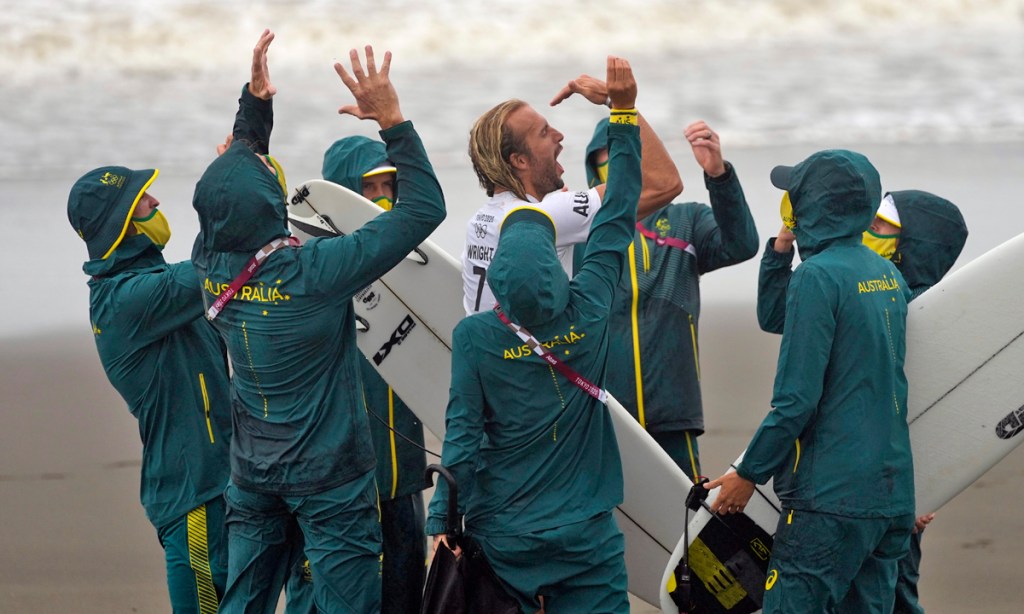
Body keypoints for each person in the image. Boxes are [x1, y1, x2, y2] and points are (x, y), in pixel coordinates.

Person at [191, 30, 446, 613]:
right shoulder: (317, 271)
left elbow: (237, 179)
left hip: (253, 478)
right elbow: (425, 207)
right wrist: (393, 121)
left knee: (243, 603)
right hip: (330, 481)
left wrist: (255, 106)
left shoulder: (209, 266)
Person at [426, 55, 642, 614]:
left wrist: (441, 520)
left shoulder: (473, 338)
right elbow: (618, 212)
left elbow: (463, 435)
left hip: (507, 535)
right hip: (588, 534)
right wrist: (623, 114)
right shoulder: (590, 307)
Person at [705, 150, 916, 613]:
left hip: (830, 499)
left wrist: (748, 473)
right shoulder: (886, 274)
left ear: (813, 205)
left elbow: (796, 400)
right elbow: (776, 317)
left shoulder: (818, 279)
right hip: (891, 495)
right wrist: (782, 251)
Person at [755, 188, 968, 614]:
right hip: (876, 491)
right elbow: (777, 317)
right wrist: (780, 250)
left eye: (883, 225)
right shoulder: (869, 285)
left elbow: (934, 407)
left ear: (914, 244)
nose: (870, 228)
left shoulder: (924, 311)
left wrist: (928, 490)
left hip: (881, 493)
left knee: (898, 597)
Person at [67, 167, 232, 612]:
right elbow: (218, 265)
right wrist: (236, 178)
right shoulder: (128, 298)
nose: (156, 203)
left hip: (221, 479)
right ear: (121, 222)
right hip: (193, 491)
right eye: (143, 199)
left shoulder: (148, 285)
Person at [581, 117, 759, 481]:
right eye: (603, 160)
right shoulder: (580, 230)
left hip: (673, 411)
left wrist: (719, 175)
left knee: (683, 524)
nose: (612, 168)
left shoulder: (686, 220)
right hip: (600, 414)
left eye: (621, 156)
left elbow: (741, 244)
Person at [461, 67, 682, 316]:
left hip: (486, 350)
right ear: (519, 161)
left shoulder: (479, 221)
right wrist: (620, 106)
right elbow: (663, 183)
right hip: (535, 355)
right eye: (544, 133)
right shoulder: (549, 214)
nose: (559, 135)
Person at [320, 135, 429, 614]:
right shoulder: (318, 269)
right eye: (371, 188)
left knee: (407, 589)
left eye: (391, 186)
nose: (384, 199)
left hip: (405, 471)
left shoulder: (417, 263)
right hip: (346, 477)